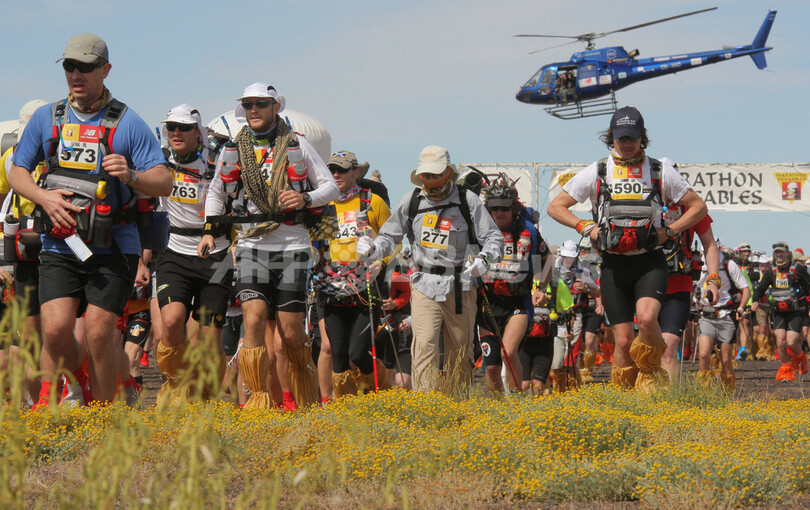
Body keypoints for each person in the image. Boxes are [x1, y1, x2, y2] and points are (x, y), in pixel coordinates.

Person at [9, 33, 171, 404]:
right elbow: (18, 170)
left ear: (106, 70)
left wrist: (131, 175)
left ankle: (102, 416)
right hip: (59, 241)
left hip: (115, 243)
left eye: (85, 67)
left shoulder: (128, 122)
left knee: (99, 333)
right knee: (55, 330)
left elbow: (163, 180)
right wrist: (43, 196)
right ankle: (81, 381)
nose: (75, 74)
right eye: (69, 66)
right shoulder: (46, 118)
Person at [547, 106, 708, 392]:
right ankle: (625, 396)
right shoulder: (597, 171)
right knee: (621, 341)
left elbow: (698, 206)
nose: (627, 143)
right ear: (611, 138)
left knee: (647, 320)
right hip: (613, 265)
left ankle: (654, 380)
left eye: (633, 137)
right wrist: (586, 227)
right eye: (621, 138)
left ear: (642, 137)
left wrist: (669, 231)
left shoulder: (659, 170)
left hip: (650, 263)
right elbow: (555, 207)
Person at [202, 82, 338, 409]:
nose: (253, 110)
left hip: (292, 247)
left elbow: (330, 187)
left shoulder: (297, 145)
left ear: (275, 107)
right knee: (252, 320)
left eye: (260, 104)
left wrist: (304, 197)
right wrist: (209, 230)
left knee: (290, 336)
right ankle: (259, 400)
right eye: (248, 105)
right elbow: (218, 192)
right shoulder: (233, 149)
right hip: (250, 245)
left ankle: (303, 397)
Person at [356, 146, 503, 393]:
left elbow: (493, 238)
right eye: (427, 175)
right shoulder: (411, 201)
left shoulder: (468, 201)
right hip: (423, 284)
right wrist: (373, 248)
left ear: (448, 172)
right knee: (424, 346)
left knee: (460, 351)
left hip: (460, 284)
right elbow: (389, 237)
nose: (431, 181)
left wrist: (485, 260)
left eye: (436, 174)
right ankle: (427, 406)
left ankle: (457, 407)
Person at [154, 104, 232, 404]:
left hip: (218, 254)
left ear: (198, 134)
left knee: (208, 339)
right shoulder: (159, 162)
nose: (176, 132)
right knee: (172, 322)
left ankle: (204, 398)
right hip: (174, 251)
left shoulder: (217, 163)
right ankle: (176, 386)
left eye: (184, 127)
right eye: (171, 126)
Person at [316, 150, 391, 397]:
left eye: (341, 170)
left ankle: (381, 394)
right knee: (337, 356)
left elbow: (394, 240)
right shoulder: (325, 205)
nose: (335, 174)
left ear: (355, 173)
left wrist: (381, 262)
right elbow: (319, 243)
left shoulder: (372, 202)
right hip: (331, 287)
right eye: (332, 170)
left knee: (357, 353)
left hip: (365, 288)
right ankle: (347, 411)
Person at [477, 175, 550, 392]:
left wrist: (542, 288)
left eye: (505, 208)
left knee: (508, 352)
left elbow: (547, 260)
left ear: (514, 209)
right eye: (494, 208)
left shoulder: (528, 231)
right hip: (487, 304)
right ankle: (499, 410)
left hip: (518, 301)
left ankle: (517, 403)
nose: (499, 213)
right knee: (490, 367)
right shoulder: (479, 233)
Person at [657, 157, 720, 383]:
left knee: (668, 346)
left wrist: (713, 279)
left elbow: (710, 245)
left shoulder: (692, 208)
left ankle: (670, 402)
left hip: (678, 283)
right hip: (645, 284)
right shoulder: (642, 204)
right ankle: (643, 400)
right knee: (642, 347)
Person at [751, 242, 810, 382]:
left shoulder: (797, 269)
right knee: (781, 342)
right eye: (777, 253)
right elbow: (760, 288)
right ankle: (786, 370)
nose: (779, 255)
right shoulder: (771, 271)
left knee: (791, 342)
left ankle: (800, 357)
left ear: (787, 254)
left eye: (781, 252)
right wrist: (755, 300)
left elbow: (808, 286)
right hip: (778, 312)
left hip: (795, 311)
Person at [548, 240, 600, 390]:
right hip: (555, 316)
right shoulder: (552, 270)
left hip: (575, 316)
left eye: (571, 257)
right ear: (561, 255)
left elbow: (597, 291)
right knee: (556, 359)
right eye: (566, 257)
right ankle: (557, 387)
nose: (569, 261)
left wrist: (585, 289)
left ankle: (572, 388)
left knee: (572, 355)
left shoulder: (583, 272)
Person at [695, 253, 750, 392]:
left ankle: (726, 392)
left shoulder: (728, 265)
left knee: (726, 360)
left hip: (726, 316)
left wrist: (741, 307)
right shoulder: (699, 265)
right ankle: (705, 391)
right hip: (706, 315)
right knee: (703, 354)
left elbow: (746, 289)